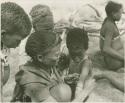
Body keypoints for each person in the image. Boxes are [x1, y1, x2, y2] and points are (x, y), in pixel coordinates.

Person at [11, 30, 73, 102]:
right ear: (40, 57)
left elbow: (49, 80)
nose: (59, 56)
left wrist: (63, 79)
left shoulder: (46, 65)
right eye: (56, 54)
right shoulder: (31, 80)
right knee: (63, 91)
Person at [1, 2, 32, 86]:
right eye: (18, 40)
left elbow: (5, 68)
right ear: (3, 34)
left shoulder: (4, 48)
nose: (18, 45)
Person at [65, 27, 96, 101]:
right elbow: (65, 69)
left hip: (83, 82)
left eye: (77, 48)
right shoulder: (70, 55)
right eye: (71, 48)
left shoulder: (86, 62)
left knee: (85, 90)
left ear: (85, 48)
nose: (74, 51)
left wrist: (77, 94)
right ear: (68, 47)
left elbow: (81, 80)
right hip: (73, 81)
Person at [100, 1, 124, 70]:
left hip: (113, 58)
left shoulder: (108, 20)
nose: (121, 15)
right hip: (114, 61)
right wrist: (123, 58)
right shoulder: (109, 26)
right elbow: (106, 48)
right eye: (120, 13)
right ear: (113, 14)